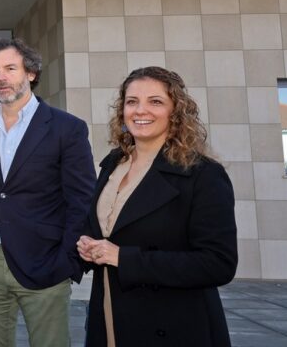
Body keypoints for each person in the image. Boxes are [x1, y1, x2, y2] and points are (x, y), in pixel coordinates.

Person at [77, 66, 237, 347]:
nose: (141, 111)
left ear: (175, 112)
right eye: (131, 101)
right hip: (111, 313)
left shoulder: (202, 174)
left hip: (172, 324)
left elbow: (218, 264)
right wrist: (88, 245)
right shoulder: (113, 164)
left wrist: (124, 258)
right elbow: (109, 228)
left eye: (155, 101)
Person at [0, 38, 96, 347]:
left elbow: (82, 200)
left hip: (44, 263)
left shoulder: (66, 128)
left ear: (31, 73)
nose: (1, 78)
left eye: (10, 68)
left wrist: (66, 260)